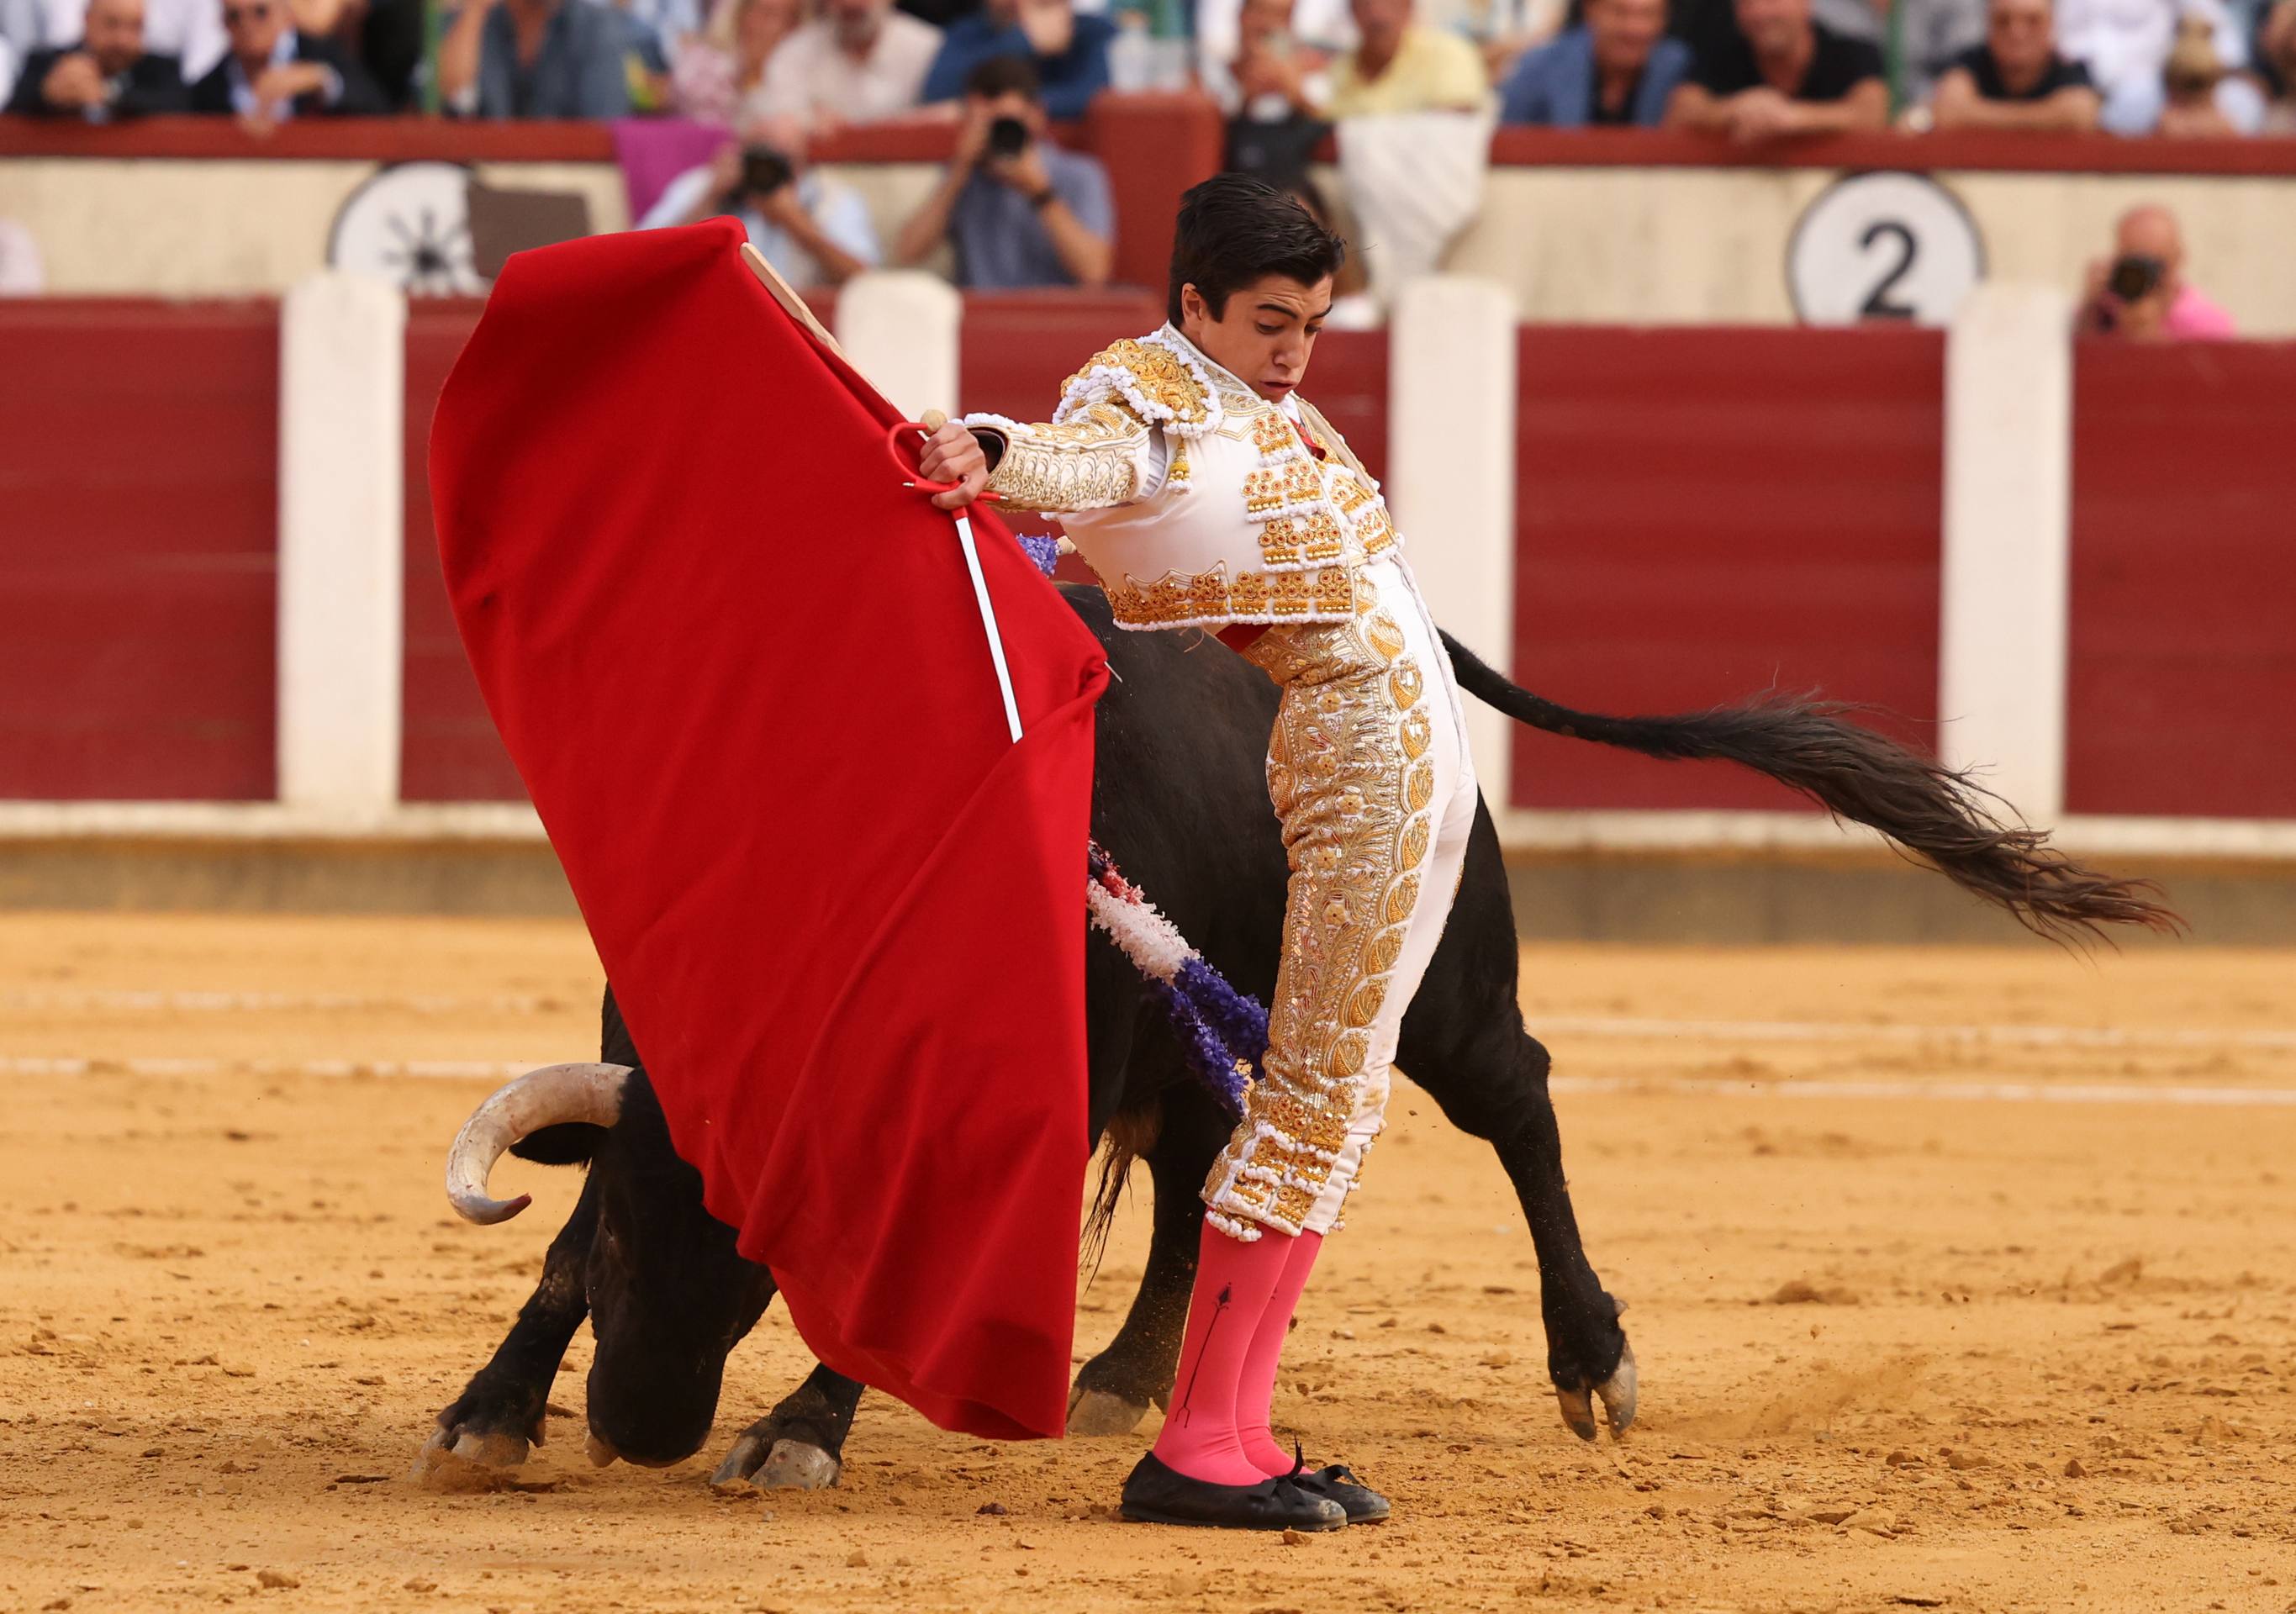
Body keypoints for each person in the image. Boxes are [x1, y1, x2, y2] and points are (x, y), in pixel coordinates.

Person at [911, 171, 1479, 1532]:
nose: (1296, 352)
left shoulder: (1260, 403)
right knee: (1309, 1102)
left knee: (1335, 1108)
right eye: (1271, 322)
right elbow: (1078, 462)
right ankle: (1198, 1448)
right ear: (1194, 308)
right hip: (1351, 758)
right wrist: (993, 446)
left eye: (1316, 325)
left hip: (1408, 759)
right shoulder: (1142, 394)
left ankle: (1233, 1428)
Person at [894, 54, 1113, 288]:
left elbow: (1094, 272)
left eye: (1007, 122)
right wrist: (958, 172)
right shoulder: (963, 177)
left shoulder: (1079, 175)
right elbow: (906, 254)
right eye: (987, 124)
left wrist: (1039, 191)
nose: (999, 133)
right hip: (982, 316)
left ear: (1037, 115)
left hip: (1054, 317)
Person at [639, 117, 881, 286]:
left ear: (803, 158)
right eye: (759, 155)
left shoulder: (833, 198)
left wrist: (798, 224)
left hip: (801, 329)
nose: (766, 171)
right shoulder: (704, 185)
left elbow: (863, 280)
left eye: (781, 160)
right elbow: (642, 260)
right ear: (740, 148)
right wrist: (710, 198)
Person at [1665, 0, 1887, 140]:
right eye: (1748, 3)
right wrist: (1733, 110)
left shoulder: (1851, 52)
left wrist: (1793, 118)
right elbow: (1679, 114)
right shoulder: (1721, 53)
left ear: (1805, 5)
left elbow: (1874, 115)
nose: (1760, 12)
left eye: (1772, 1)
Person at [2054, 0, 2250, 134]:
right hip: (2067, 83)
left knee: (2243, 103)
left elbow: (2225, 44)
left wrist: (2196, 97)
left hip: (2157, 86)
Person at [746, 0, 939, 129]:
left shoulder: (926, 48)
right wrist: (810, 121)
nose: (850, 4)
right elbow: (776, 119)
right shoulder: (797, 51)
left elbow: (950, 116)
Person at [1498, 0, 1688, 124]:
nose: (1634, 28)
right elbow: (1508, 141)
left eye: (1648, 14)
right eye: (1620, 13)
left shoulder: (1679, 69)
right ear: (1590, 11)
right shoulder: (1540, 67)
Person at [918, 0, 1111, 119]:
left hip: (1069, 161)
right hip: (980, 163)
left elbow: (1095, 96)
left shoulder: (1092, 31)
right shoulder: (967, 32)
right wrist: (1022, 41)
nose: (1019, 4)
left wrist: (1005, 107)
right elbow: (936, 93)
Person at [188, 0, 386, 117]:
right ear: (223, 24)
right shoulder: (209, 87)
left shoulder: (320, 53)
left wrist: (321, 80)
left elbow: (377, 107)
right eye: (234, 16)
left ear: (286, 14)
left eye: (260, 12)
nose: (247, 24)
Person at [435, 0, 631, 117]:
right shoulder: (476, 25)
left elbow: (605, 131)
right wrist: (475, 9)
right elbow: (453, 94)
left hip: (566, 177)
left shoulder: (596, 29)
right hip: (481, 174)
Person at [1927, 0, 2099, 127]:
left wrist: (1975, 114)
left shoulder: (2068, 66)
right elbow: (1947, 110)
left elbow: (2081, 113)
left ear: (2051, 25)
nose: (2017, 33)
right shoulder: (1970, 61)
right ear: (1988, 24)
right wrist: (2050, 118)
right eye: (2004, 21)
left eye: (2032, 21)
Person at [2078, 202, 2235, 339]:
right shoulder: (2101, 312)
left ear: (2178, 256)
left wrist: (2150, 334)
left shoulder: (2207, 325)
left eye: (2156, 265)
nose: (2145, 276)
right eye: (2134, 263)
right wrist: (2091, 308)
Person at [6, 0, 187, 115]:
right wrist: (48, 94)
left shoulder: (161, 69)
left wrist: (107, 94)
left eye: (135, 27)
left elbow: (180, 107)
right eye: (112, 24)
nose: (122, 40)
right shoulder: (46, 63)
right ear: (87, 21)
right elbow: (14, 111)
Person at [1325, 0, 1488, 115]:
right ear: (1351, 10)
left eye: (1389, 3)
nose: (1377, 14)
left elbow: (1454, 128)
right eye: (1365, 3)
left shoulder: (1449, 53)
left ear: (1409, 6)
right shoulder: (1337, 69)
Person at [668, 0, 794, 125]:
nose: (774, 26)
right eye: (766, 13)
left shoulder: (794, 74)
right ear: (742, 12)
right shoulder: (705, 62)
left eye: (789, 19)